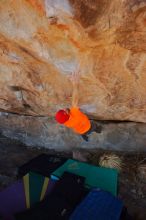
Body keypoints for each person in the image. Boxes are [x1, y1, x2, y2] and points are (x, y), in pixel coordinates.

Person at [55, 69, 102, 141]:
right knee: (94, 127)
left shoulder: (66, 123)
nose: (64, 109)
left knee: (83, 133)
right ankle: (98, 130)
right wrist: (75, 84)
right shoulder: (75, 114)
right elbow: (75, 100)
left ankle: (85, 137)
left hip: (80, 130)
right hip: (89, 126)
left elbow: (66, 115)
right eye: (64, 111)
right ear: (68, 115)